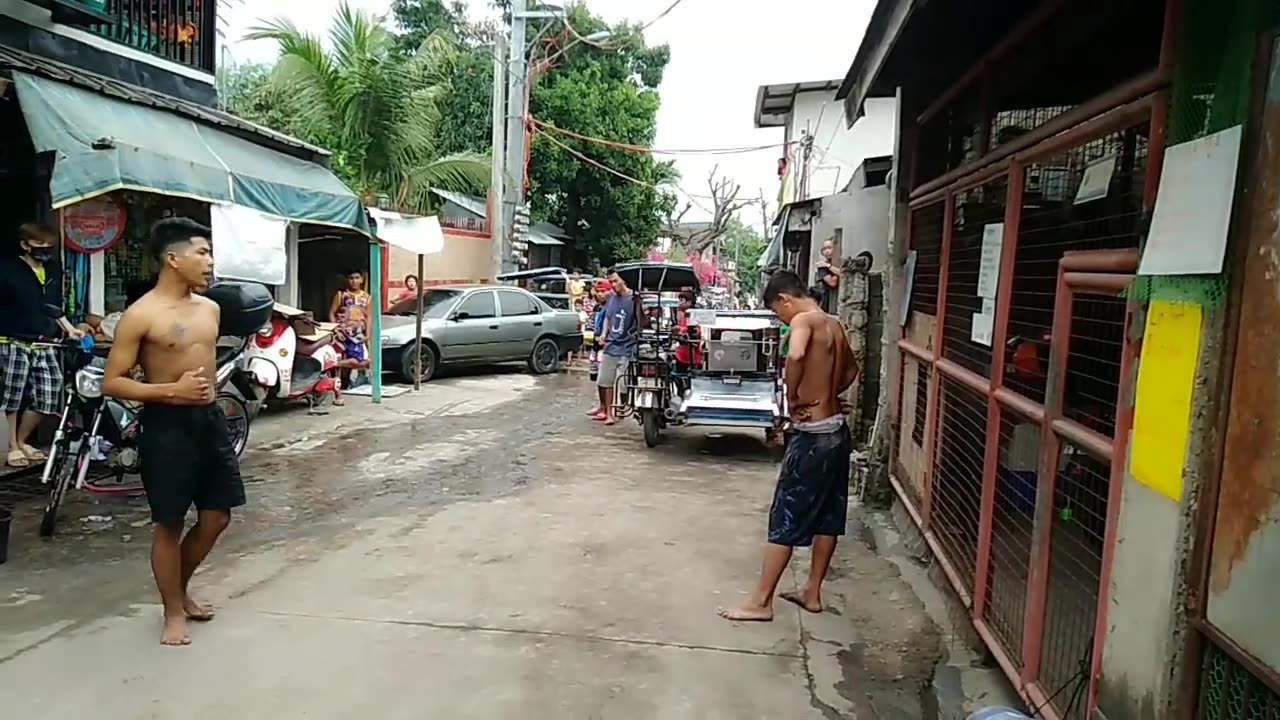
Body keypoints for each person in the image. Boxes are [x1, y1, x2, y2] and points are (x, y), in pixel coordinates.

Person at [102, 218, 241, 646]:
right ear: (173, 258)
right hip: (165, 425)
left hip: (210, 420)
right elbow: (113, 381)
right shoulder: (142, 315)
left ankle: (178, 590)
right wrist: (170, 390)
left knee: (218, 515)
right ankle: (173, 610)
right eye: (202, 252)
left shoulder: (211, 308)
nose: (210, 261)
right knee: (169, 522)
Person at [719, 269, 857, 622]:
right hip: (838, 430)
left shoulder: (803, 322)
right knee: (829, 513)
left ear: (785, 299)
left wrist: (794, 396)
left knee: (786, 513)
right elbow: (852, 371)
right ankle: (812, 592)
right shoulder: (835, 324)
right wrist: (828, 393)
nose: (781, 318)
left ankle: (761, 602)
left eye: (777, 311)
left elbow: (795, 356)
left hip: (813, 435)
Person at [0, 223, 85, 468]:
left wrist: (69, 328)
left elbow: (53, 306)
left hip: (45, 340)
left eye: (49, 246)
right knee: (11, 396)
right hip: (13, 338)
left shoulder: (52, 269)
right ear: (25, 245)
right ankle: (12, 447)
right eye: (39, 246)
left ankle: (22, 440)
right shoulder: (8, 270)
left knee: (49, 394)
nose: (45, 250)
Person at [595, 270, 645, 426]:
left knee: (623, 382)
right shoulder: (611, 298)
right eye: (611, 282)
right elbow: (608, 318)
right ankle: (609, 412)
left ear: (623, 280)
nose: (614, 285)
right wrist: (604, 333)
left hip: (628, 346)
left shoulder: (634, 298)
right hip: (611, 345)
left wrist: (638, 305)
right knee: (605, 381)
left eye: (616, 281)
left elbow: (642, 322)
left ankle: (622, 407)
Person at [329, 270, 372, 399]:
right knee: (340, 359)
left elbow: (369, 317)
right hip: (342, 333)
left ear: (362, 280)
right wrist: (335, 329)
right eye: (351, 278)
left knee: (363, 362)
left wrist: (368, 335)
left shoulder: (367, 298)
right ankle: (338, 392)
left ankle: (335, 364)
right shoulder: (341, 295)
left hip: (358, 334)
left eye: (357, 278)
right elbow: (332, 312)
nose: (354, 281)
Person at [586, 280, 611, 414]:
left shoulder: (611, 307)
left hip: (605, 346)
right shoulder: (597, 308)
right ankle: (601, 406)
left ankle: (607, 409)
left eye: (603, 291)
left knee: (605, 380)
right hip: (595, 346)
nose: (601, 294)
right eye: (598, 291)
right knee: (597, 379)